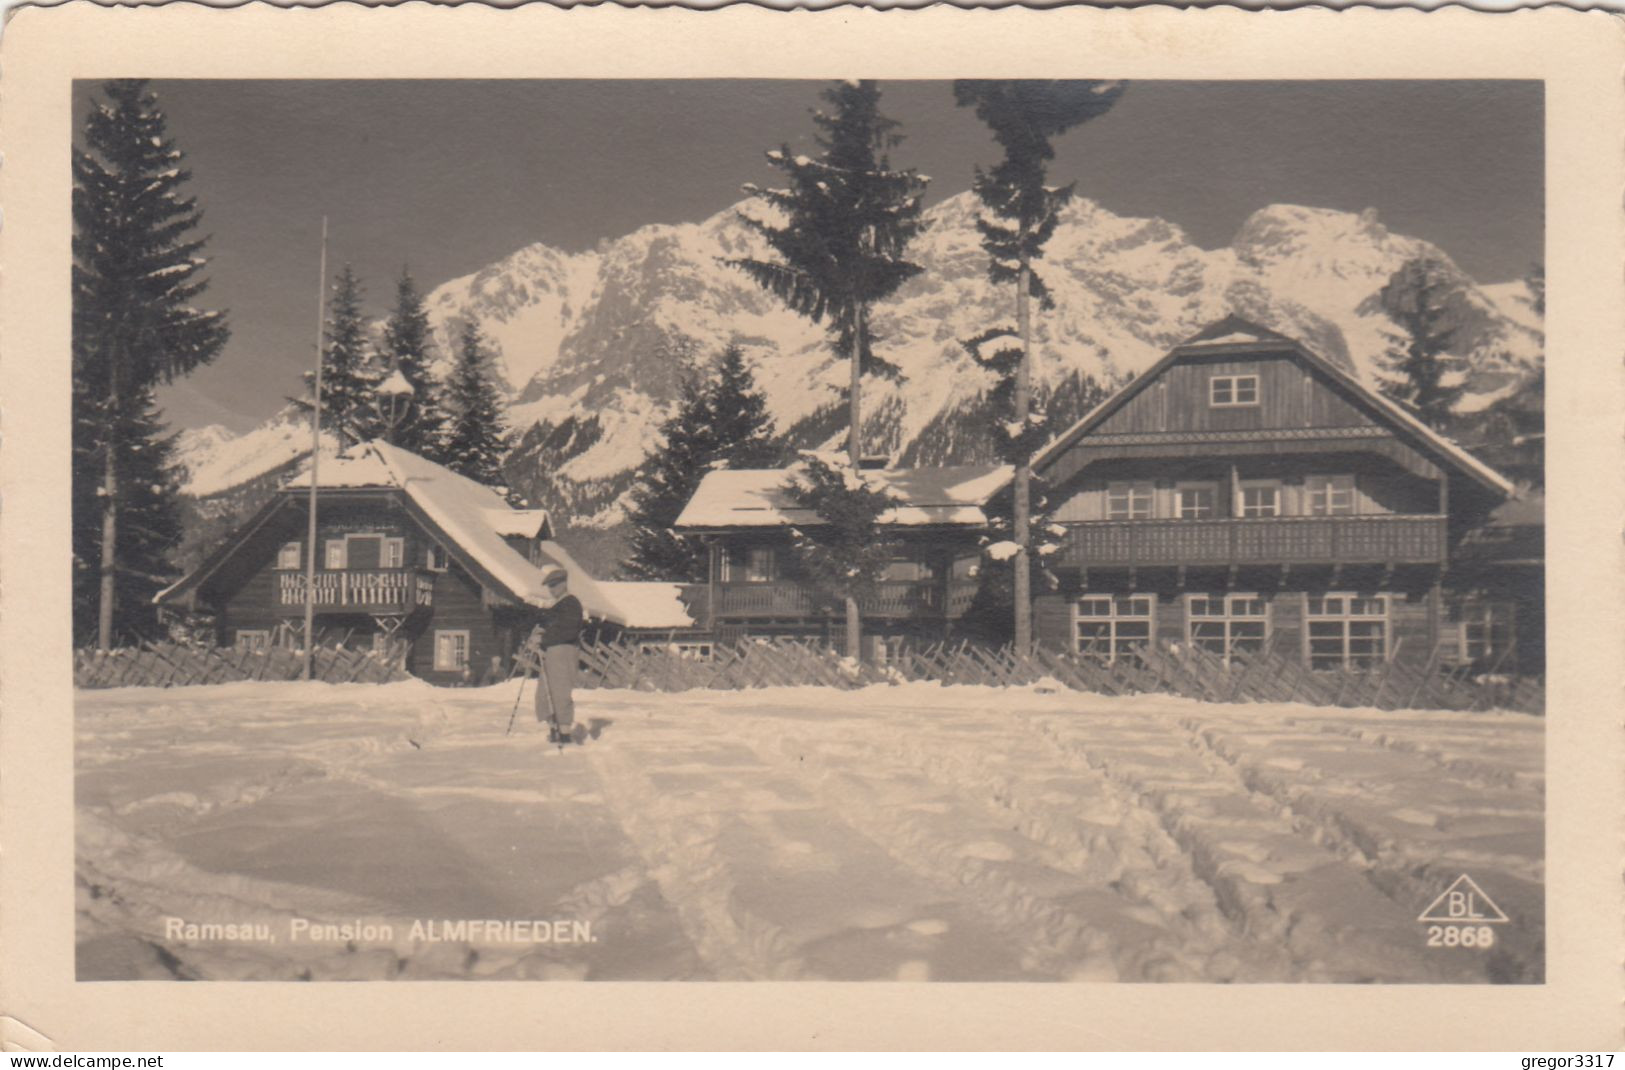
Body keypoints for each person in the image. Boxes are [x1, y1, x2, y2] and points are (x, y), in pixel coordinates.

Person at [534, 585, 584, 744]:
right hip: (552, 651)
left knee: (560, 692)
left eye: (554, 586)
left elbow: (568, 632)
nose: (551, 590)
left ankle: (564, 734)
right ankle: (553, 729)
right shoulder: (557, 605)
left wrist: (544, 639)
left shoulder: (571, 604)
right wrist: (540, 633)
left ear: (563, 585)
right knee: (544, 692)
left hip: (563, 651)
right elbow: (550, 627)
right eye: (550, 587)